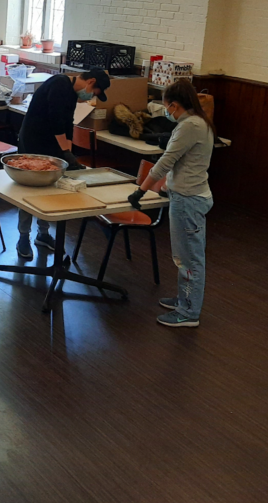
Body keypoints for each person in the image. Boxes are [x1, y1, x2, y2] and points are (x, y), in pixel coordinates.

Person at [129, 78, 214, 328]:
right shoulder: (197, 122)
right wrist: (166, 187)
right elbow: (183, 165)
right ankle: (184, 300)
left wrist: (140, 191)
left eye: (166, 106)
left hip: (189, 201)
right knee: (183, 256)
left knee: (189, 258)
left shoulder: (190, 126)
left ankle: (188, 312)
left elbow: (166, 161)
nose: (166, 111)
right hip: (187, 195)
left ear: (175, 105)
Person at [15, 68, 110, 258]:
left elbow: (67, 124)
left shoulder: (71, 93)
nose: (90, 96)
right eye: (94, 92)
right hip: (33, 144)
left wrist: (69, 155)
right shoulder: (59, 85)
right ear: (90, 82)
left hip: (52, 146)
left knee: (49, 192)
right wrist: (65, 152)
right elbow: (56, 121)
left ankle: (43, 234)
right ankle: (23, 237)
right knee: (29, 192)